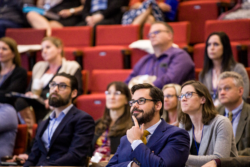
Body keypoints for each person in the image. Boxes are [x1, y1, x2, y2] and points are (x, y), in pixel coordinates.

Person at [107, 83, 190, 167]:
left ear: (157, 105)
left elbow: (163, 166)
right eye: (133, 101)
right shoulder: (126, 139)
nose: (135, 105)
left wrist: (136, 142)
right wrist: (131, 165)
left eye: (141, 100)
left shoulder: (177, 135)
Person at [23, 73, 95, 167]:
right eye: (52, 85)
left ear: (73, 93)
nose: (55, 89)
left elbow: (75, 156)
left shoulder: (83, 119)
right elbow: (33, 157)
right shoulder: (43, 123)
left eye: (62, 86)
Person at [15, 36, 83, 133]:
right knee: (20, 101)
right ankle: (31, 132)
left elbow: (77, 90)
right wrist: (29, 94)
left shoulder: (71, 66)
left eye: (48, 47)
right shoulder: (38, 67)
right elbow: (29, 90)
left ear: (59, 48)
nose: (44, 51)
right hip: (36, 104)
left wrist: (52, 98)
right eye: (42, 49)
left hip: (56, 103)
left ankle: (37, 133)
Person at [178, 80, 238, 167]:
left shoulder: (221, 123)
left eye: (188, 94)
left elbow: (219, 159)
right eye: (181, 95)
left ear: (203, 99)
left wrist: (180, 157)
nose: (183, 99)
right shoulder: (183, 124)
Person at [125, 21, 195, 89]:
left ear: (169, 35)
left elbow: (171, 81)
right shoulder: (144, 60)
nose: (152, 36)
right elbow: (128, 82)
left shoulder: (180, 56)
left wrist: (144, 88)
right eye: (150, 34)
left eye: (156, 32)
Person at [199, 32, 249, 106]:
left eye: (216, 44)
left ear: (225, 47)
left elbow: (243, 96)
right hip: (209, 113)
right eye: (209, 45)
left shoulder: (237, 69)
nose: (211, 48)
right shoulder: (203, 73)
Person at [91, 81, 132, 162]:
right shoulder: (97, 124)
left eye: (117, 93)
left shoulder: (132, 126)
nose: (111, 97)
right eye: (108, 93)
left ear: (126, 100)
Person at [217, 71, 250, 156]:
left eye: (227, 88)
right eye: (220, 89)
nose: (222, 92)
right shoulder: (214, 113)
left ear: (240, 91)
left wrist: (228, 158)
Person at [0, 37, 27, 107]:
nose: (0, 51)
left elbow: (10, 95)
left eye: (4, 49)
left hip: (8, 107)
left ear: (13, 54)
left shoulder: (20, 72)